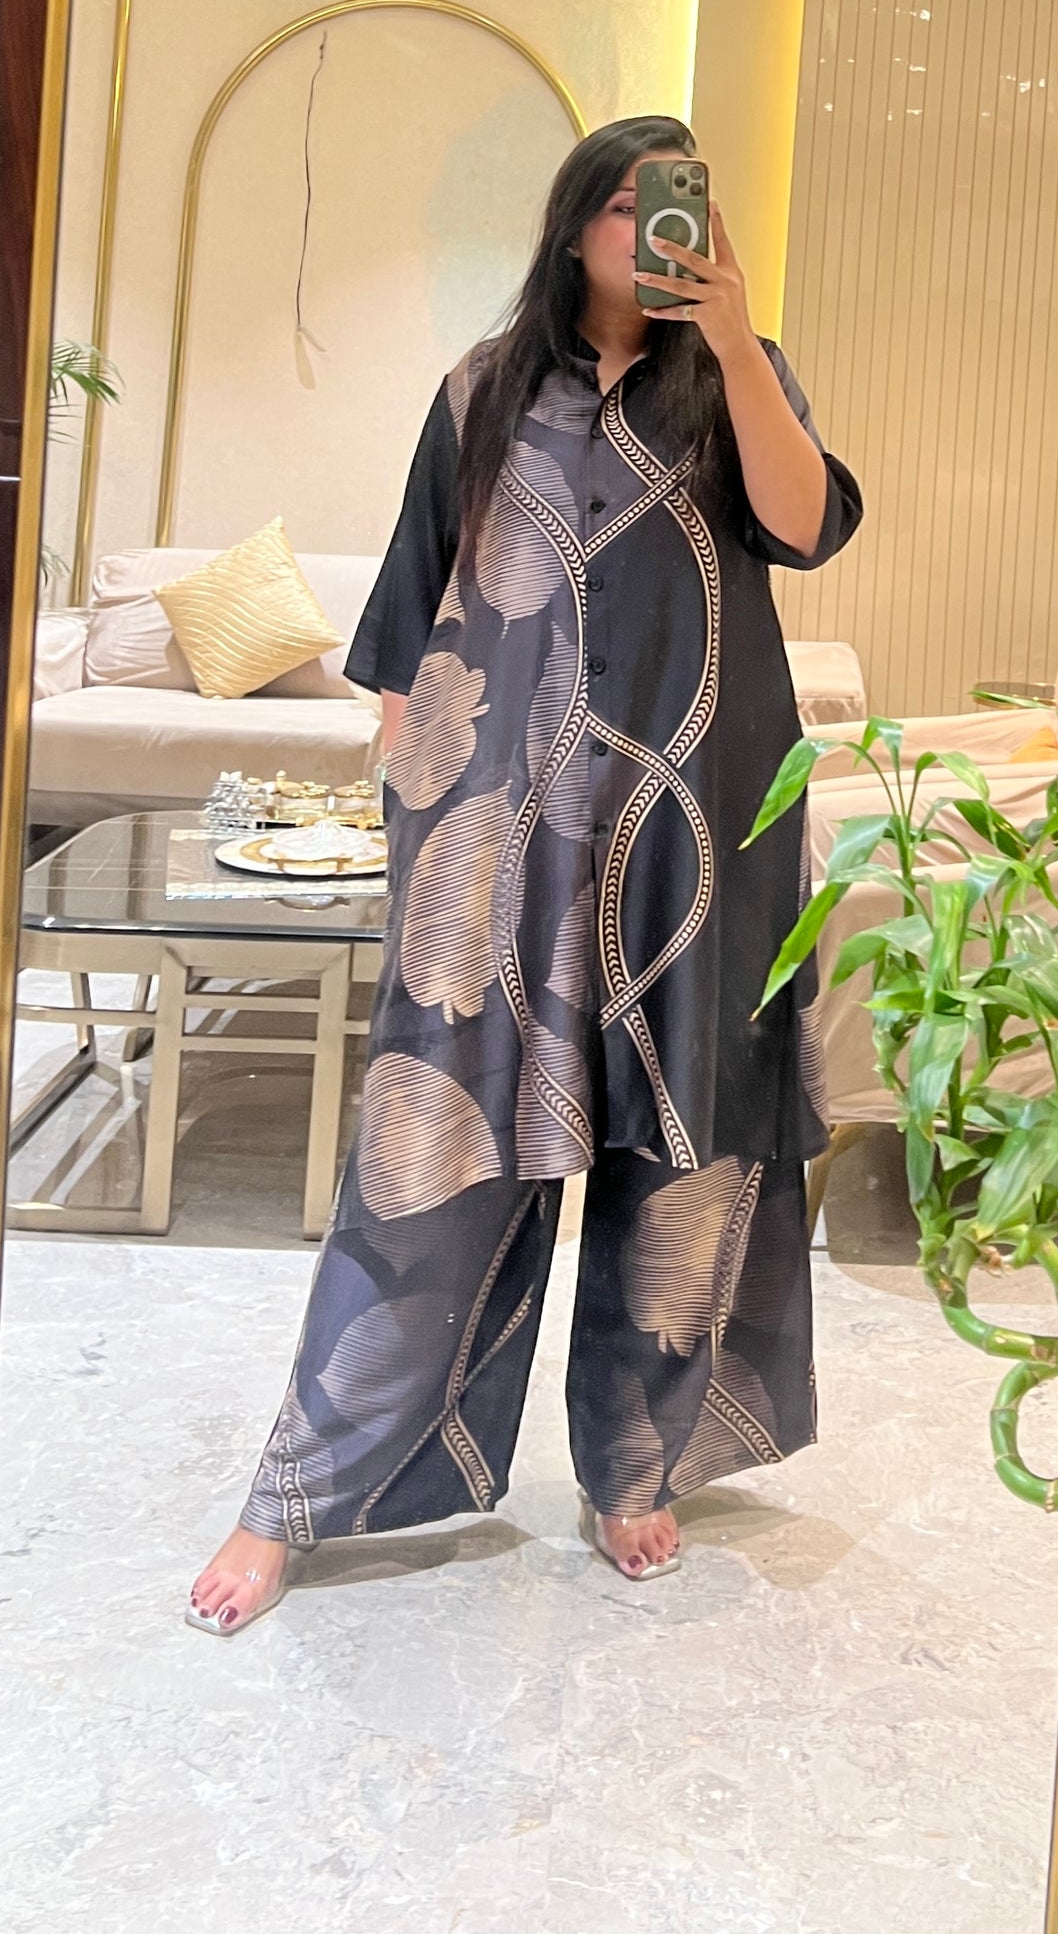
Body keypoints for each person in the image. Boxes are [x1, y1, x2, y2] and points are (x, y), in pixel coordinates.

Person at [189, 114, 862, 1629]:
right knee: (432, 1161)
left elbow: (806, 525)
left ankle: (635, 1466)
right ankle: (300, 1494)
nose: (654, 233)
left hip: (699, 836)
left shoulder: (740, 380)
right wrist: (415, 820)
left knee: (685, 1162)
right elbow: (407, 623)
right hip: (503, 848)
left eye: (676, 206)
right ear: (571, 227)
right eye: (625, 206)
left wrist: (737, 338)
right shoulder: (484, 389)